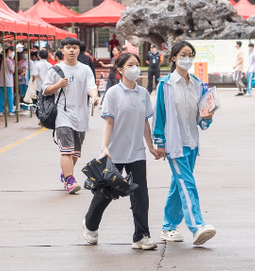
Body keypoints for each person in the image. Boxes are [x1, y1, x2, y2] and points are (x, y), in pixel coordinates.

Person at [83, 52, 160, 250]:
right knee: (106, 193)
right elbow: (109, 122)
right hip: (115, 151)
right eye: (130, 65)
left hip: (136, 151)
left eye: (137, 64)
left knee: (140, 193)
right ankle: (90, 225)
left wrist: (149, 145)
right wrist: (105, 147)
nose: (135, 68)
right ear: (120, 70)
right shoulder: (113, 93)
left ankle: (141, 235)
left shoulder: (143, 93)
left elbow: (145, 122)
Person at [152, 40, 217, 246]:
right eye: (183, 54)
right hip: (174, 144)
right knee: (187, 184)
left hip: (191, 143)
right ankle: (197, 226)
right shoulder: (166, 85)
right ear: (174, 58)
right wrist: (159, 142)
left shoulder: (198, 84)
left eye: (190, 54)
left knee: (178, 184)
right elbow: (159, 116)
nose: (187, 58)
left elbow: (202, 120)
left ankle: (168, 226)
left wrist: (207, 116)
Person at [42, 38, 99, 195]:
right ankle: (69, 180)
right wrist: (58, 85)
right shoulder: (56, 69)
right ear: (62, 50)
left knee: (75, 153)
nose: (72, 50)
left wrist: (94, 96)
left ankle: (66, 172)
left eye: (74, 48)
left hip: (81, 116)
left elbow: (91, 86)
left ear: (79, 50)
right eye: (68, 47)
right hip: (62, 115)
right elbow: (45, 90)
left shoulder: (85, 69)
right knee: (66, 150)